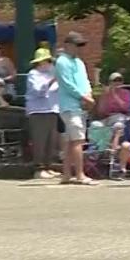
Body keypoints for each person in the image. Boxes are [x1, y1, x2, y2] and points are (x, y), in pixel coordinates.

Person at [55, 31, 95, 184]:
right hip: (69, 106)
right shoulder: (62, 61)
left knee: (71, 142)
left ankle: (66, 175)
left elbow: (84, 80)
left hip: (80, 105)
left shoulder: (79, 62)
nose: (79, 48)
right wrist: (84, 97)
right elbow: (67, 84)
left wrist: (89, 95)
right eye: (77, 45)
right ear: (67, 45)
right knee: (78, 140)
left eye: (81, 45)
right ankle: (80, 175)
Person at [26, 48, 61, 179]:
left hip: (52, 109)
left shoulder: (51, 72)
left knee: (51, 141)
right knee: (39, 140)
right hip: (38, 111)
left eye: (48, 61)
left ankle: (48, 166)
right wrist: (53, 80)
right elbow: (39, 91)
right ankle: (38, 169)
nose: (46, 63)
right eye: (43, 61)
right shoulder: (33, 74)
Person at [94, 72, 130, 145]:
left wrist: (115, 95)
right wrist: (104, 96)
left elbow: (126, 108)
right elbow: (100, 111)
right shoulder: (106, 94)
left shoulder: (126, 93)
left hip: (121, 116)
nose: (117, 82)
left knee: (117, 125)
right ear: (110, 82)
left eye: (119, 80)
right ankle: (99, 149)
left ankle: (114, 148)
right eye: (114, 81)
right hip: (107, 118)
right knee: (95, 125)